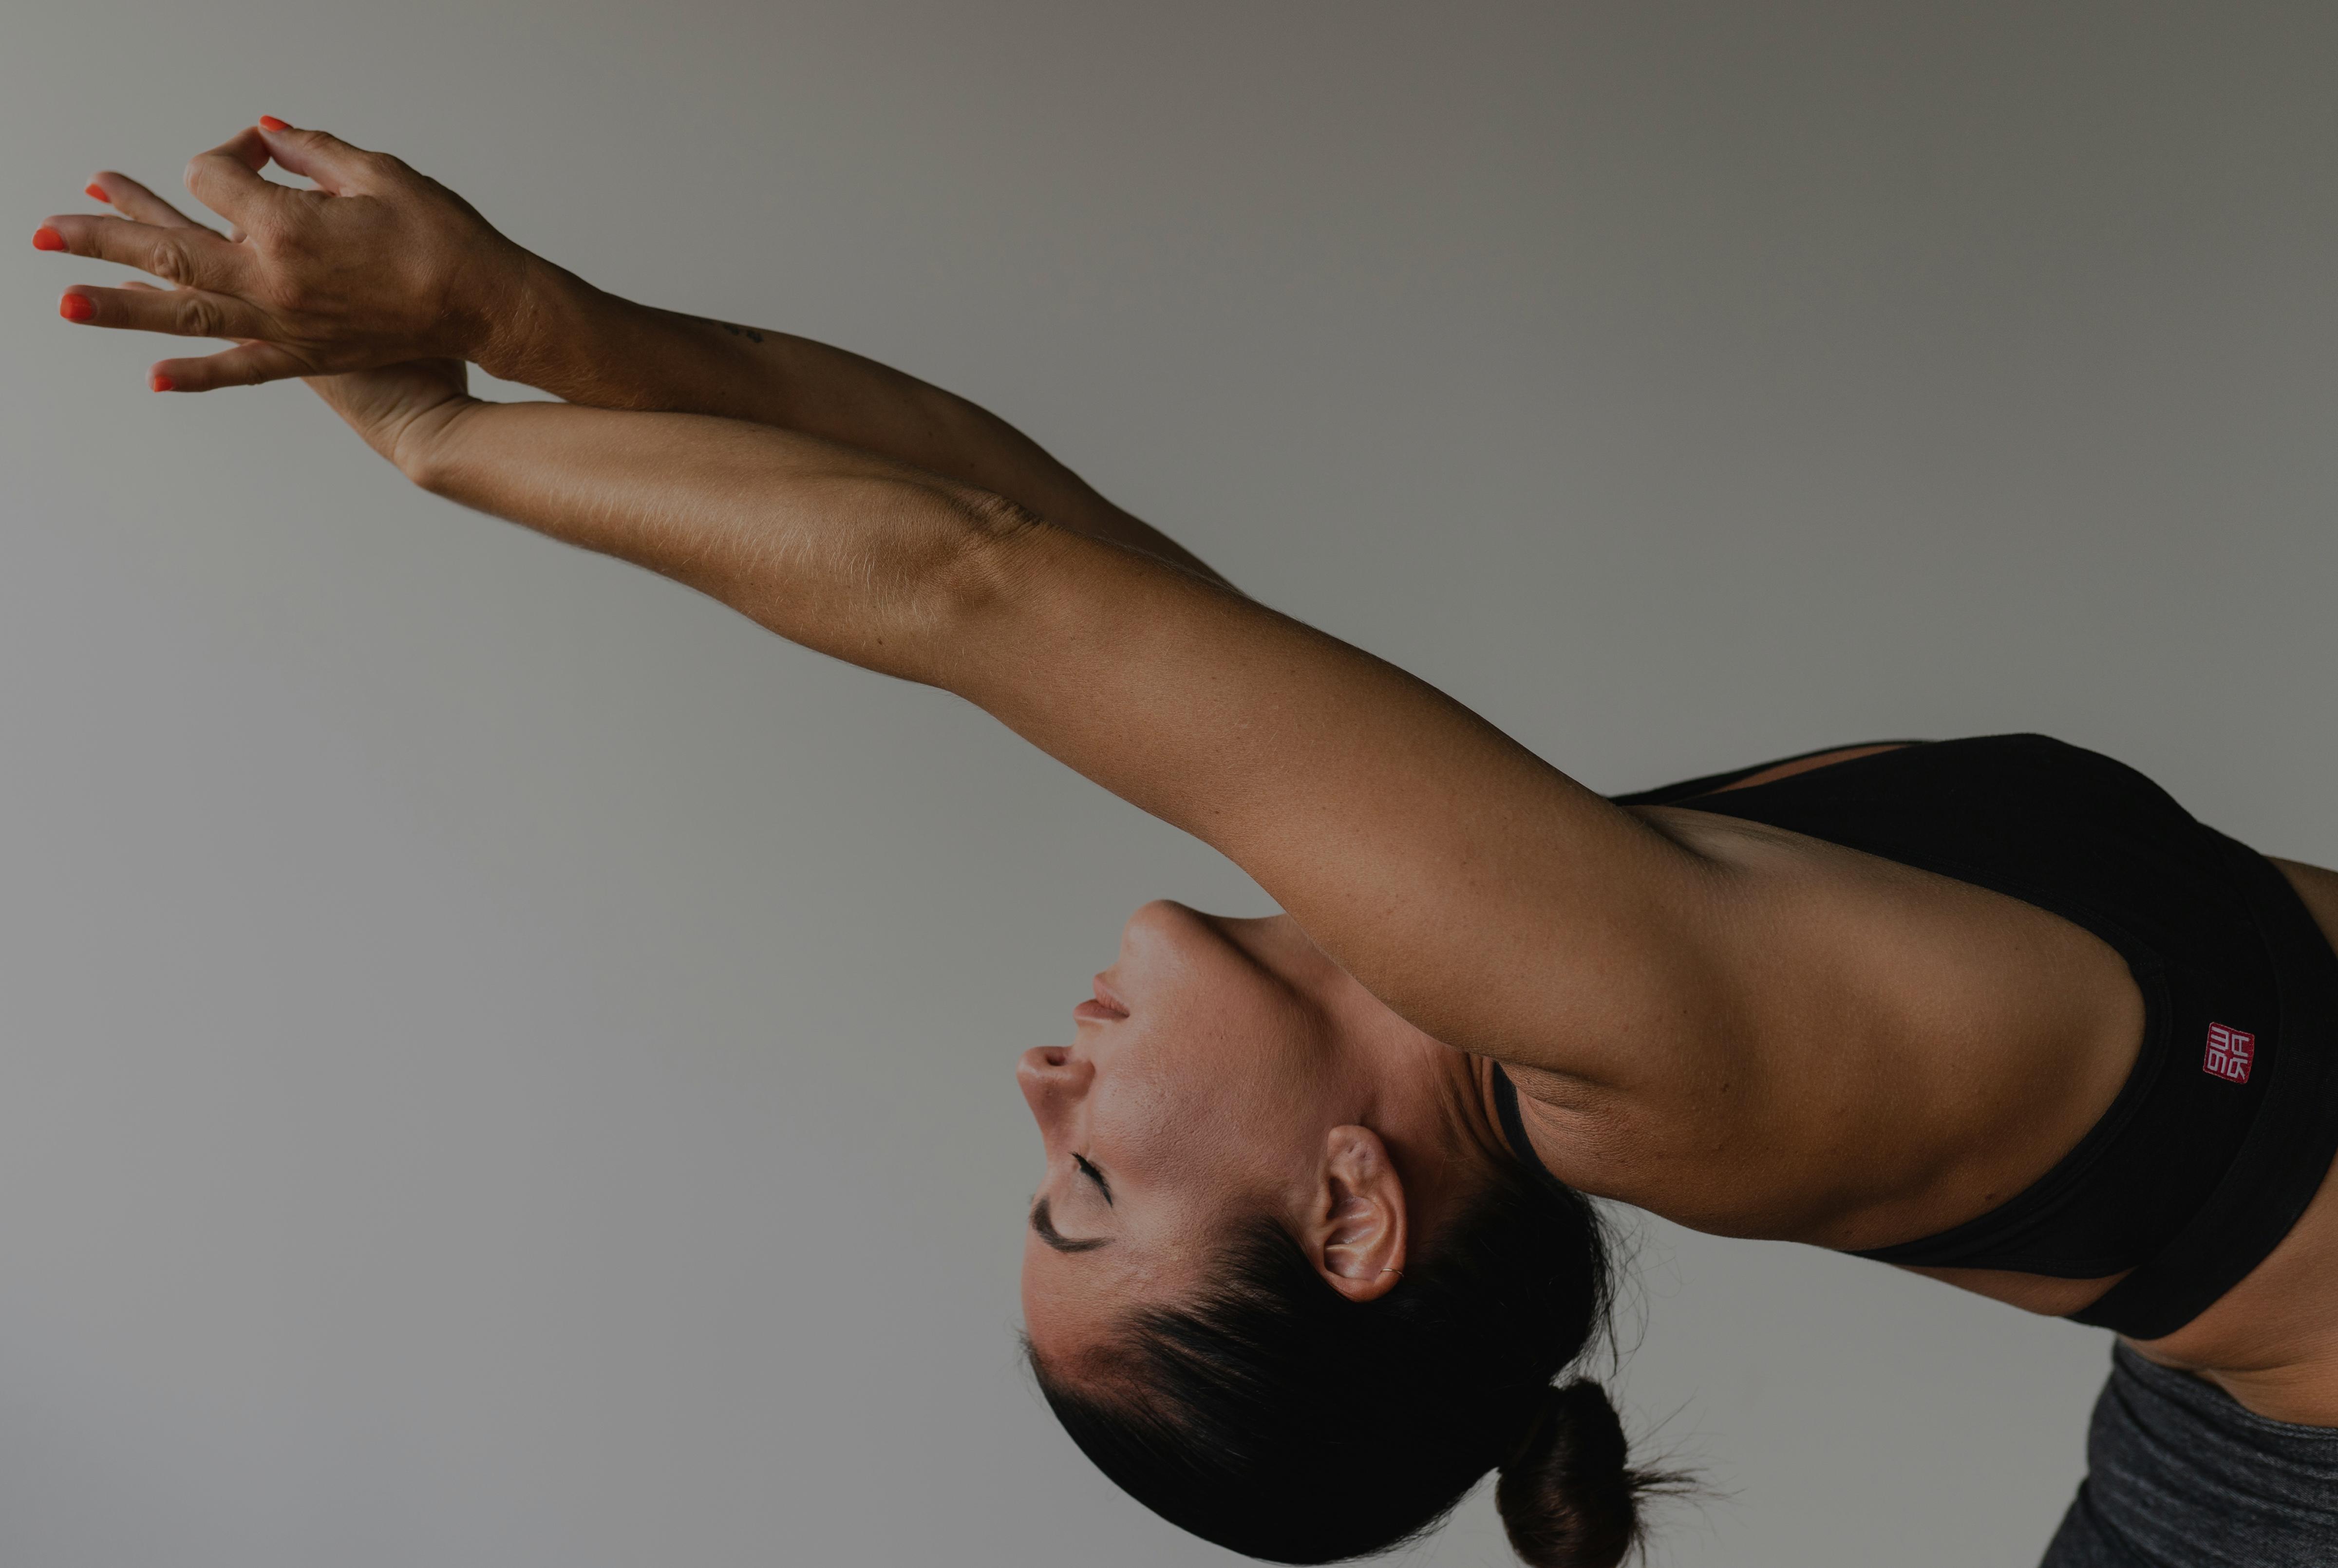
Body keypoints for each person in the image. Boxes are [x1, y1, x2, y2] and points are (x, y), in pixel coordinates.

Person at [34, 121, 2338, 1568]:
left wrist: (533, 326)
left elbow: (1008, 512)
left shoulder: (1475, 942)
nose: (1043, 1089)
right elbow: (968, 589)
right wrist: (433, 441)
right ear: (1350, 1212)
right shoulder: (1623, 1043)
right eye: (1091, 1183)